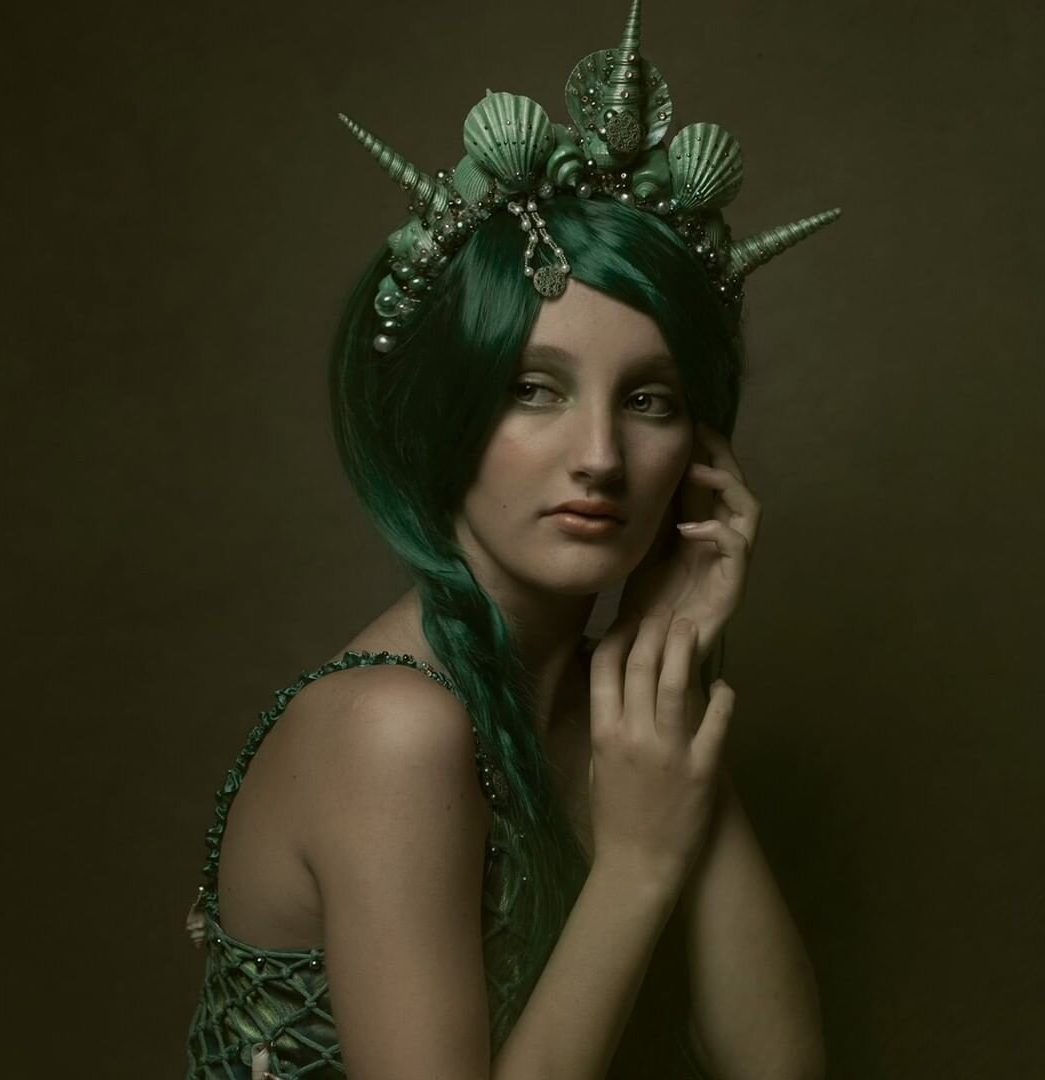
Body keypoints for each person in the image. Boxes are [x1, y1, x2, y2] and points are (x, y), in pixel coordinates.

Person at [184, 2, 839, 1077]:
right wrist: (637, 862)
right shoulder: (391, 732)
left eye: (651, 400)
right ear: (446, 418)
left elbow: (782, 1068)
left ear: (700, 453)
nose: (601, 456)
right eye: (535, 389)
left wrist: (671, 662)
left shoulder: (600, 710)